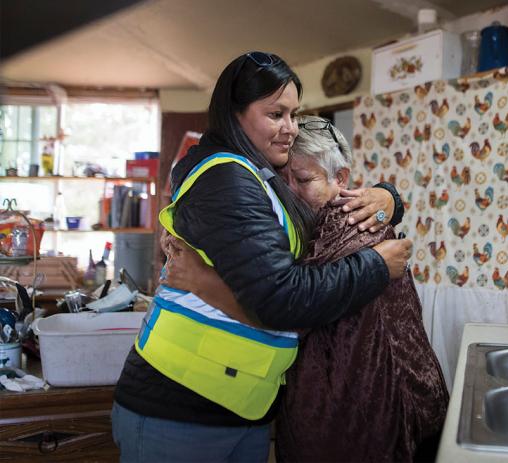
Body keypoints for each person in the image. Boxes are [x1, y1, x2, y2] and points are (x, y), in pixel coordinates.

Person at [111, 52, 412, 463]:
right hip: (182, 405)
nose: (289, 128)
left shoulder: (260, 176)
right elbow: (280, 297)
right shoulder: (228, 179)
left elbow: (322, 211)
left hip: (241, 405)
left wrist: (388, 198)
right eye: (275, 114)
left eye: (294, 114)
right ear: (234, 114)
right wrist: (378, 265)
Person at [163, 115, 448, 463]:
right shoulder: (301, 228)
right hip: (368, 403)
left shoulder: (347, 226)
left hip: (370, 412)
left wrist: (199, 279)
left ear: (340, 179)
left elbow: (286, 310)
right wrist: (390, 198)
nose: (289, 191)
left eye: (303, 179)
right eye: (280, 181)